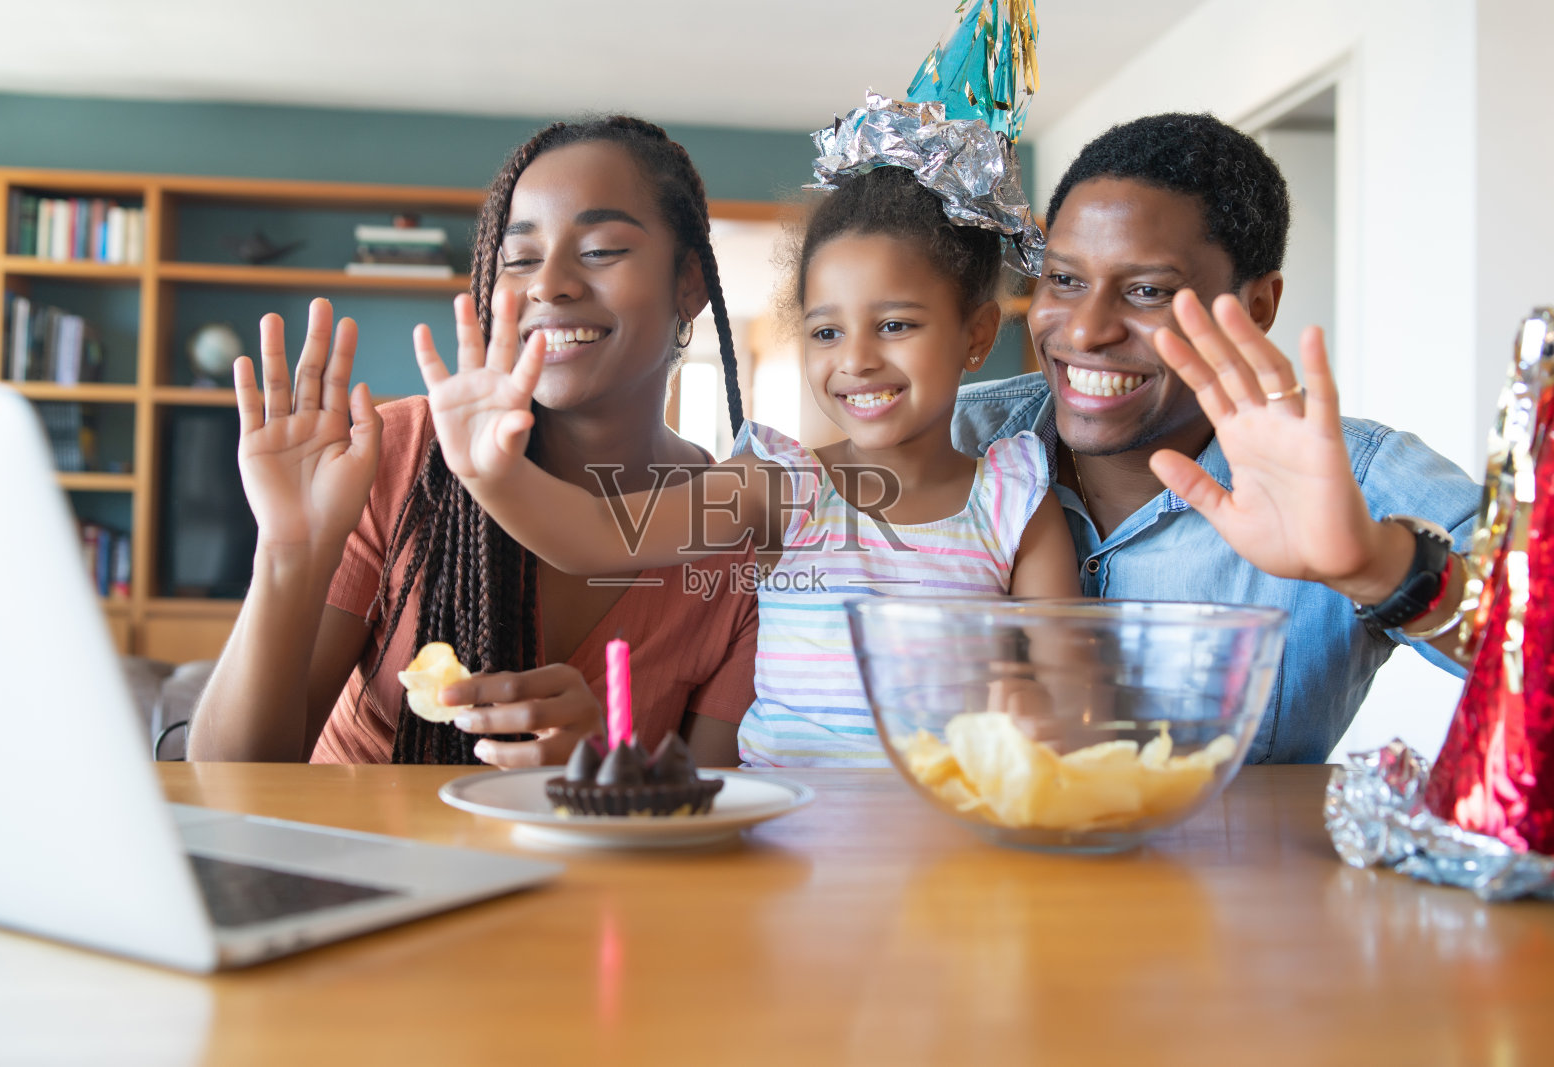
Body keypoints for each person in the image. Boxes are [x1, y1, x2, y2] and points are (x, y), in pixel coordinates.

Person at [409, 162, 1081, 768]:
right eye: (826, 332)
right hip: (784, 850)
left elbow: (1067, 698)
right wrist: (491, 475)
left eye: (896, 325)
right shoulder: (781, 486)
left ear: (978, 335)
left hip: (950, 852)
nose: (855, 360)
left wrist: (1036, 711)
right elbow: (597, 535)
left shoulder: (1014, 501)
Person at [188, 117, 759, 768]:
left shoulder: (733, 539)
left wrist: (603, 772)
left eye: (600, 249)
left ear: (689, 282)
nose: (549, 284)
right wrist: (289, 551)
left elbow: (715, 819)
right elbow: (227, 779)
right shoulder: (397, 455)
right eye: (519, 259)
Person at [951, 112, 1480, 764]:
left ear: (1257, 308)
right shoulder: (950, 444)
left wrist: (1382, 567)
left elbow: (1531, 640)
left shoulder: (1351, 478)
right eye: (1065, 279)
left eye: (1147, 290)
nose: (1084, 331)